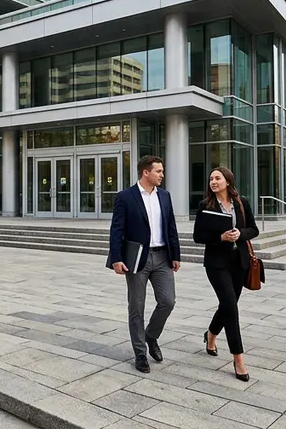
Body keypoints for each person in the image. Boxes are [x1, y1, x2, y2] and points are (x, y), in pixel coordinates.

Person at [106, 155, 181, 373]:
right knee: (136, 308)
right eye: (159, 171)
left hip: (162, 257)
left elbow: (171, 227)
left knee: (168, 301)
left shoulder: (165, 196)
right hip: (137, 259)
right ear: (145, 172)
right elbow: (116, 230)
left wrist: (175, 255)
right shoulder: (125, 197)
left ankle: (151, 335)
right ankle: (140, 353)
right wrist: (116, 259)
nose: (162, 175)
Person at [193, 166, 259, 382]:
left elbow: (254, 229)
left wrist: (240, 233)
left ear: (228, 181)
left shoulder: (241, 203)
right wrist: (220, 238)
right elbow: (198, 236)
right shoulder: (205, 205)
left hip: (239, 262)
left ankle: (211, 335)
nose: (213, 181)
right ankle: (238, 358)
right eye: (211, 178)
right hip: (216, 263)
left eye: (217, 178)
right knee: (230, 306)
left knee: (227, 306)